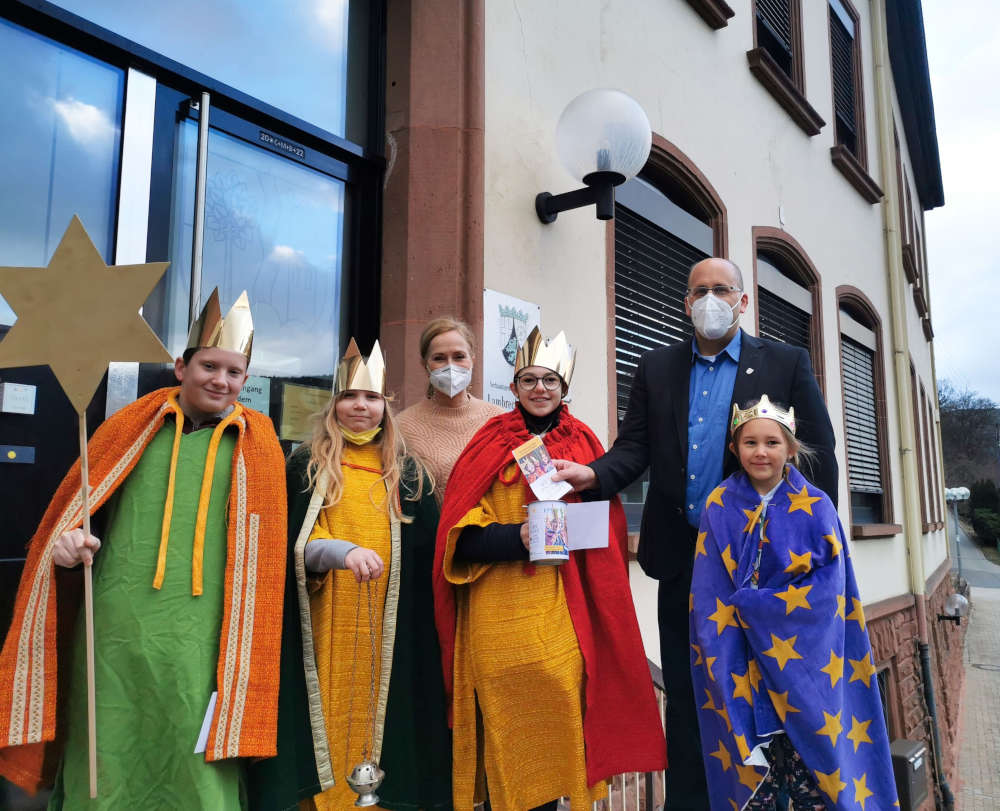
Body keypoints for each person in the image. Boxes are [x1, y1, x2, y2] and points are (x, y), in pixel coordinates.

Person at [552, 257, 838, 809]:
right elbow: (634, 447)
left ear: (742, 301)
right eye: (699, 291)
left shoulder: (785, 362)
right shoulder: (656, 367)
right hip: (684, 563)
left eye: (721, 289)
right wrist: (594, 474)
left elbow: (817, 460)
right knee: (687, 693)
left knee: (765, 691)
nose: (710, 299)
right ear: (686, 303)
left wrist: (797, 548)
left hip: (763, 572)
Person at [0, 290, 287, 808]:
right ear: (182, 366)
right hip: (116, 623)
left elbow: (266, 555)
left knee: (194, 751)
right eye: (209, 366)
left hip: (208, 633)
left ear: (246, 380)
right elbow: (77, 514)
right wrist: (67, 545)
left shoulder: (260, 447)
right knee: (109, 737)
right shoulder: (130, 427)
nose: (220, 380)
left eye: (234, 371)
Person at [434, 327, 666, 811]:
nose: (539, 389)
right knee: (504, 721)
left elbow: (603, 533)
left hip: (564, 605)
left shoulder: (583, 443)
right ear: (514, 387)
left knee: (563, 706)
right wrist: (513, 538)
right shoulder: (487, 441)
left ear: (564, 389)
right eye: (529, 380)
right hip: (496, 608)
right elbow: (457, 533)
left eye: (550, 381)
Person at [254, 339, 451, 811]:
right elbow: (292, 542)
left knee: (389, 714)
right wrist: (341, 553)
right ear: (334, 403)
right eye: (350, 397)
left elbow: (432, 553)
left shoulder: (409, 473)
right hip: (322, 619)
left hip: (393, 626)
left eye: (371, 398)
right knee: (323, 710)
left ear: (386, 406)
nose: (360, 407)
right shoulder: (306, 465)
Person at [690, 396, 897, 810]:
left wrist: (757, 608)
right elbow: (708, 590)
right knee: (759, 782)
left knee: (813, 782)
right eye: (750, 443)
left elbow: (827, 595)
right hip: (741, 663)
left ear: (790, 449)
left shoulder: (817, 507)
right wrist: (730, 632)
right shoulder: (718, 505)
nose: (761, 452)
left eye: (772, 442)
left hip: (806, 668)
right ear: (734, 448)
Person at [397, 316, 503, 502]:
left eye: (459, 356)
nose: (450, 366)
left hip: (493, 530)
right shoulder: (402, 426)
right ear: (425, 365)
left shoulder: (500, 419)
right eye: (439, 358)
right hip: (431, 530)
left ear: (473, 359)